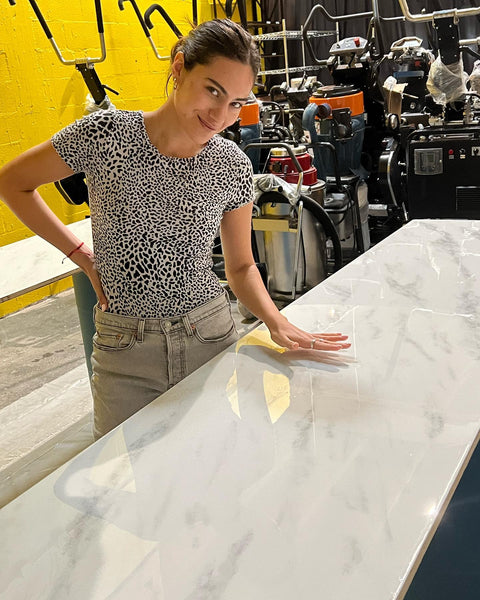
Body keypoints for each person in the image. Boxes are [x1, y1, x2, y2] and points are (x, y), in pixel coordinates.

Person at [0, 19, 350, 438]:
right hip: (126, 350)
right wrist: (82, 256)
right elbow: (12, 183)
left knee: (210, 473)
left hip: (210, 334)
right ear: (179, 68)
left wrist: (275, 319)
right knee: (134, 486)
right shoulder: (106, 135)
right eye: (213, 90)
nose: (221, 116)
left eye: (237, 103)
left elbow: (240, 267)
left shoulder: (231, 165)